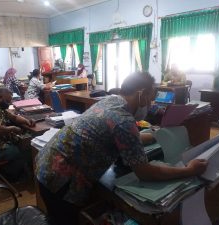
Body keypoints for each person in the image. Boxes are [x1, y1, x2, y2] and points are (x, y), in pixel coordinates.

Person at [35, 71, 207, 225]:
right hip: (61, 180)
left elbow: (118, 135)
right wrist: (188, 170)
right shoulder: (124, 120)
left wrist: (154, 134)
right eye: (150, 98)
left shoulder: (111, 100)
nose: (150, 103)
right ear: (141, 94)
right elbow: (145, 172)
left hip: (47, 164)